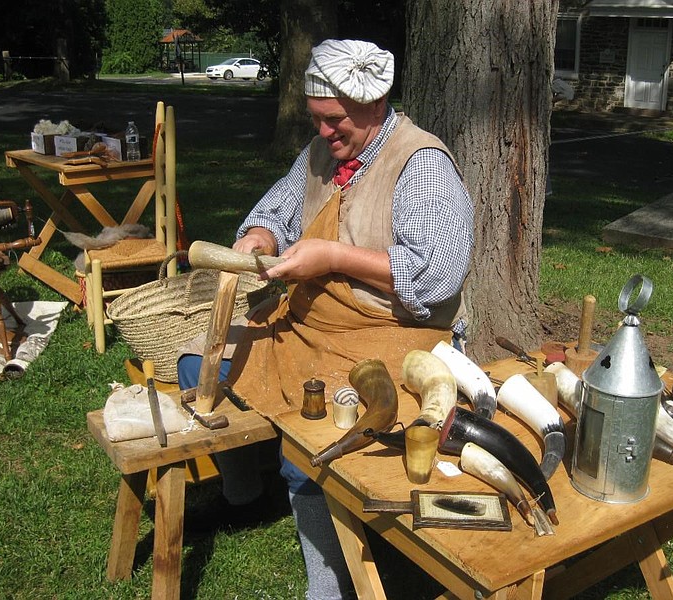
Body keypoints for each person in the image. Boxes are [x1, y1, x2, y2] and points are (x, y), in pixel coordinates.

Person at [178, 38, 474, 599]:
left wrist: (335, 257)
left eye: (334, 120)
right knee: (198, 364)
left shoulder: (421, 163)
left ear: (374, 103)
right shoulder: (323, 153)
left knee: (311, 443)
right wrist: (261, 233)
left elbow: (438, 278)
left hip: (393, 334)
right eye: (316, 120)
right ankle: (244, 497)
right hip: (311, 322)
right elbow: (277, 209)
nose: (323, 133)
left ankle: (328, 585)